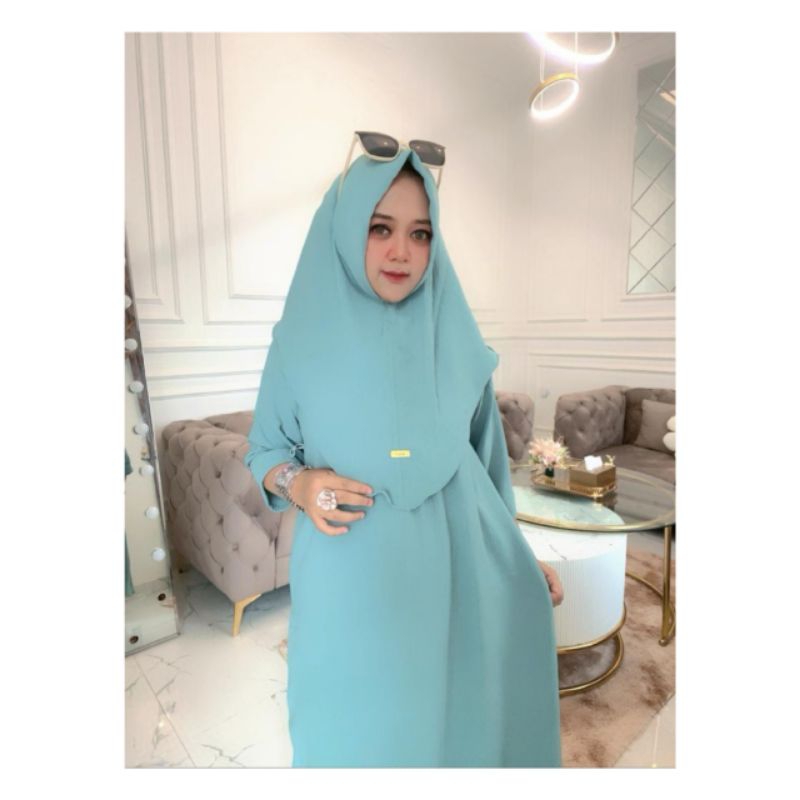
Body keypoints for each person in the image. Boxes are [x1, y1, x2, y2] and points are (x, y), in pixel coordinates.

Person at [244, 132, 564, 768]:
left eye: (421, 233)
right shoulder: (299, 341)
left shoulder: (458, 337)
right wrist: (299, 484)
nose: (401, 251)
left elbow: (489, 467)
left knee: (461, 728)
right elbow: (264, 451)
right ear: (345, 229)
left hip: (460, 572)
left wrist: (518, 556)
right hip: (350, 578)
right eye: (380, 227)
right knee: (352, 733)